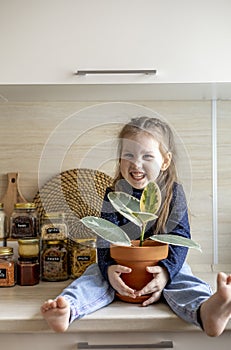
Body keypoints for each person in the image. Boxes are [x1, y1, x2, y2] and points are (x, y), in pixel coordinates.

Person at [41, 116, 231, 336]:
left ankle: (207, 310)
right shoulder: (113, 194)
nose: (136, 163)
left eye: (147, 156)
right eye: (128, 155)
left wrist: (166, 272)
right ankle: (67, 310)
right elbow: (105, 238)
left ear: (165, 161)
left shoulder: (173, 193)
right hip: (121, 268)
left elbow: (180, 238)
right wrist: (108, 268)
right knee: (92, 276)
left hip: (160, 267)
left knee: (184, 278)